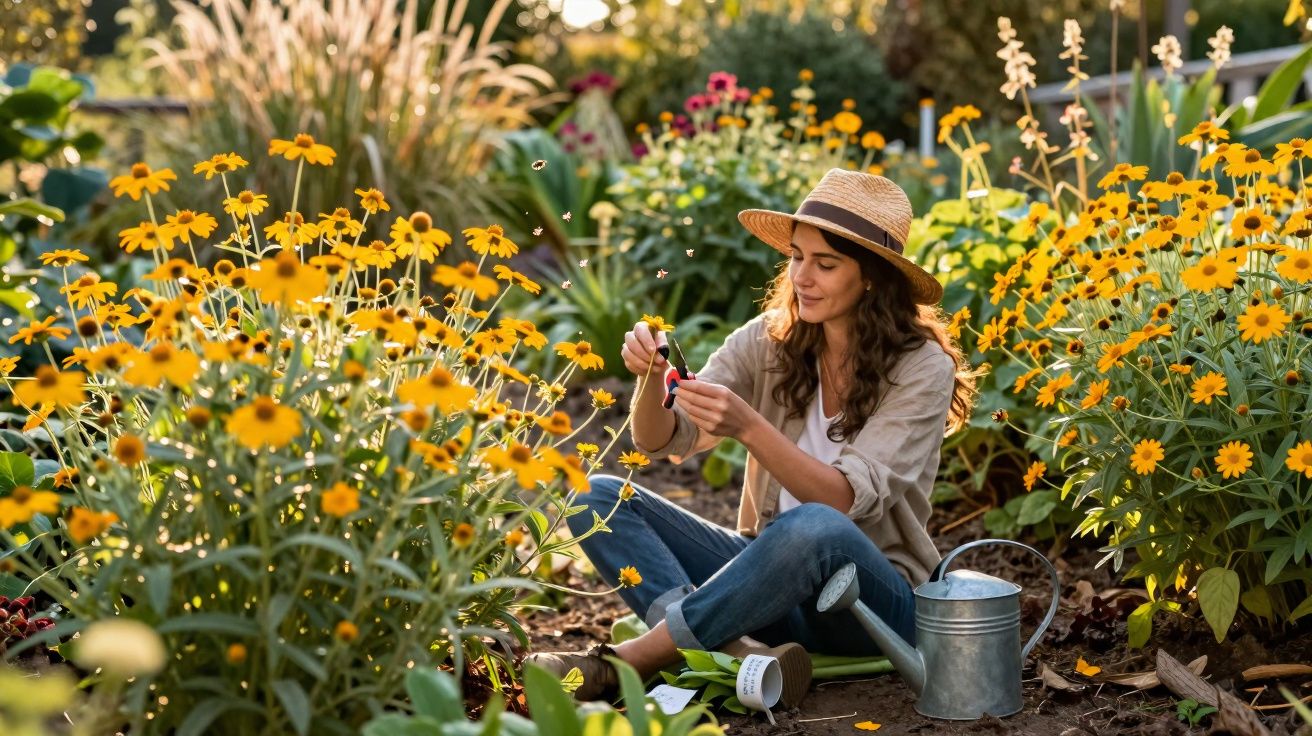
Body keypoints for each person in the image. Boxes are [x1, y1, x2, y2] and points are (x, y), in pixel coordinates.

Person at [526, 169, 977, 706]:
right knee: (596, 494)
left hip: (864, 603)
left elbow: (841, 500)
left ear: (874, 278)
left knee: (814, 525)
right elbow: (662, 441)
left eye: (825, 264)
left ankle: (637, 659)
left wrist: (747, 426)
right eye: (796, 257)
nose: (803, 277)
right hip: (766, 582)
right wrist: (652, 378)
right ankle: (734, 648)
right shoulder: (770, 338)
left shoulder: (923, 367)